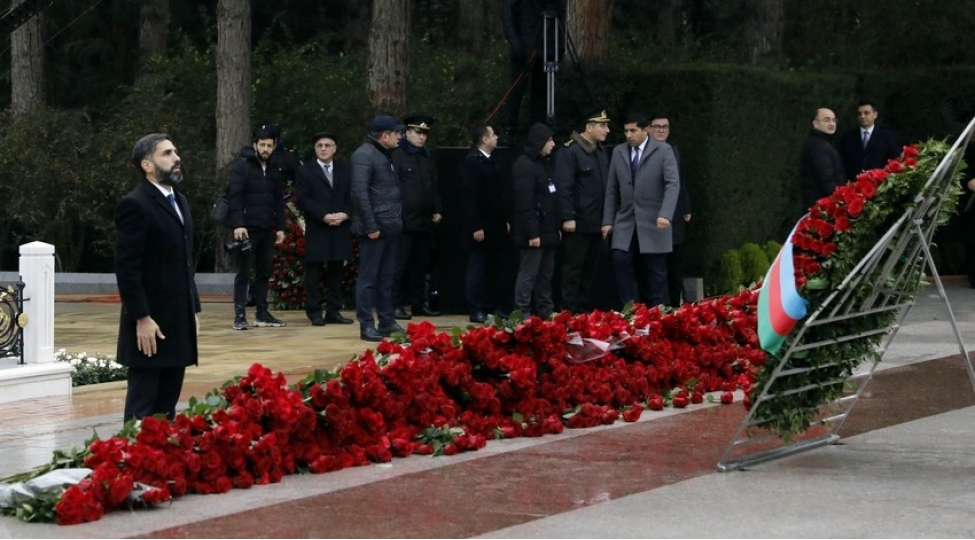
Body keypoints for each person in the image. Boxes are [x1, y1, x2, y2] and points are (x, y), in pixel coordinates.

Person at [114, 133, 201, 422]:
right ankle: (132, 461)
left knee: (166, 409)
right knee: (142, 410)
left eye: (175, 151)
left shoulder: (181, 201)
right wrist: (141, 317)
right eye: (167, 153)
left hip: (177, 319)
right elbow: (127, 268)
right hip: (149, 325)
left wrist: (193, 310)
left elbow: (185, 262)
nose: (176, 158)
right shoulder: (136, 204)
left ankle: (162, 463)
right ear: (147, 165)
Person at [602, 112, 680, 308]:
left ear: (646, 130)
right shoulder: (619, 152)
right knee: (619, 259)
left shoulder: (663, 150)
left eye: (633, 130)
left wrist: (665, 214)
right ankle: (632, 309)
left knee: (655, 270)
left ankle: (655, 313)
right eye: (626, 131)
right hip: (626, 219)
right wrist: (607, 221)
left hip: (654, 221)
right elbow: (612, 189)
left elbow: (673, 183)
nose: (629, 135)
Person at [351, 116, 407, 342]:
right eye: (396, 133)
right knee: (369, 278)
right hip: (375, 228)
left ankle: (386, 320)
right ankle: (366, 324)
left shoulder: (385, 154)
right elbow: (359, 193)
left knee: (386, 277)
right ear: (384, 136)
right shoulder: (364, 155)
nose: (400, 137)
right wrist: (371, 226)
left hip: (390, 226)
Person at [227, 127, 288, 331]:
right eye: (262, 145)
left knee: (264, 271)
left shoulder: (274, 169)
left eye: (269, 145)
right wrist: (238, 224)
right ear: (255, 145)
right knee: (243, 273)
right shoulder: (241, 167)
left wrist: (280, 226)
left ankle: (262, 313)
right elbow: (234, 197)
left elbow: (278, 201)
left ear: (274, 147)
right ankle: (239, 315)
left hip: (266, 228)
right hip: (246, 229)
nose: (265, 149)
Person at [554, 106, 610, 314]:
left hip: (597, 222)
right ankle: (568, 312)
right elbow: (564, 187)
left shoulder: (600, 152)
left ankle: (584, 312)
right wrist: (567, 216)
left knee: (590, 272)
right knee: (573, 271)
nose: (607, 130)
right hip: (578, 222)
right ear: (589, 127)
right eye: (602, 126)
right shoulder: (571, 151)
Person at [294, 131, 354, 326]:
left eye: (328, 145)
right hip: (318, 226)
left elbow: (353, 196)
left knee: (337, 270)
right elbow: (303, 199)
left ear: (335, 149)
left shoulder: (346, 170)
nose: (324, 149)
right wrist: (323, 216)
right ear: (315, 148)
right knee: (314, 271)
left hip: (340, 226)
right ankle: (314, 311)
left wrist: (345, 214)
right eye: (320, 145)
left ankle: (334, 311)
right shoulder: (305, 171)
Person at [391, 114, 442, 320]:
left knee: (420, 265)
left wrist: (437, 208)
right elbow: (393, 188)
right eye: (418, 132)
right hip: (404, 220)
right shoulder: (397, 155)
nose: (422, 137)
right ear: (407, 133)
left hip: (423, 219)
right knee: (401, 264)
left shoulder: (424, 156)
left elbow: (432, 186)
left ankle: (418, 303)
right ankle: (396, 303)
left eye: (425, 134)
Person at [511, 122, 560, 319]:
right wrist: (532, 232)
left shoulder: (543, 163)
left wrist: (554, 228)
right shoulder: (524, 165)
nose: (553, 144)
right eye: (549, 140)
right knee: (529, 274)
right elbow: (524, 203)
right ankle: (521, 312)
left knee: (546, 275)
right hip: (534, 231)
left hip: (548, 229)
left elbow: (550, 197)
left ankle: (545, 310)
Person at [461, 124, 509, 323]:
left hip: (495, 225)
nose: (497, 137)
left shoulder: (491, 161)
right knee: (477, 268)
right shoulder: (473, 161)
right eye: (493, 134)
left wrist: (504, 220)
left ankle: (491, 306)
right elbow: (470, 197)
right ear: (484, 139)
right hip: (481, 226)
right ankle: (476, 308)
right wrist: (476, 226)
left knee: (493, 269)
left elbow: (497, 195)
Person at [500, 0, 564, 144]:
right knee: (517, 90)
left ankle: (539, 132)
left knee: (542, 93)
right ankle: (508, 128)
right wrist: (516, 44)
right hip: (523, 48)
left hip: (547, 48)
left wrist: (559, 48)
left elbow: (558, 15)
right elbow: (507, 14)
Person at [648, 113, 693, 307]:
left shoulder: (673, 149)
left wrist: (686, 206)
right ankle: (658, 304)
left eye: (664, 127)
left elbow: (680, 181)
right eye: (657, 126)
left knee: (675, 259)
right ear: (648, 129)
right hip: (652, 215)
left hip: (674, 215)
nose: (661, 130)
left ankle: (676, 301)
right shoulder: (643, 152)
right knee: (656, 262)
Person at [839, 101, 901, 181]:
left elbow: (895, 161)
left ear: (875, 114)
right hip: (854, 186)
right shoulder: (847, 138)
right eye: (859, 113)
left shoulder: (887, 137)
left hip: (880, 185)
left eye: (866, 113)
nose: (862, 116)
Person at [800, 107, 845, 211]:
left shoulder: (823, 143)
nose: (832, 123)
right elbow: (827, 182)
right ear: (815, 123)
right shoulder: (819, 147)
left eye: (834, 120)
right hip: (823, 208)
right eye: (826, 120)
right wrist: (841, 201)